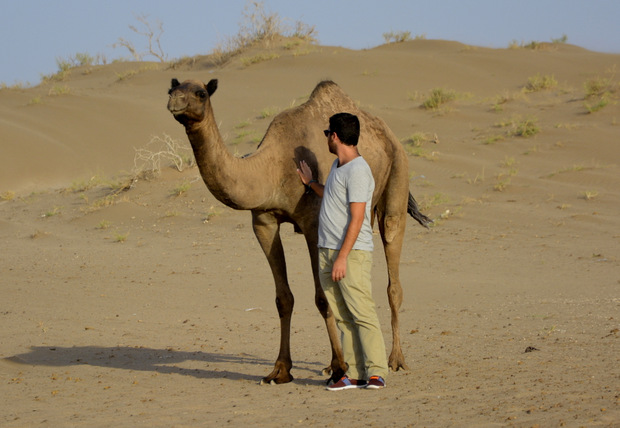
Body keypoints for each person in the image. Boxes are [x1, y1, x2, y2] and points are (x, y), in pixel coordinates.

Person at [297, 112, 388, 391]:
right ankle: (354, 374)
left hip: (350, 253)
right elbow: (335, 197)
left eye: (327, 133)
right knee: (343, 316)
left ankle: (376, 373)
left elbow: (358, 218)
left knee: (362, 312)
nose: (326, 138)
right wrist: (311, 183)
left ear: (334, 136)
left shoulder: (359, 171)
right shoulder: (339, 166)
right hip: (328, 251)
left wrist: (343, 257)